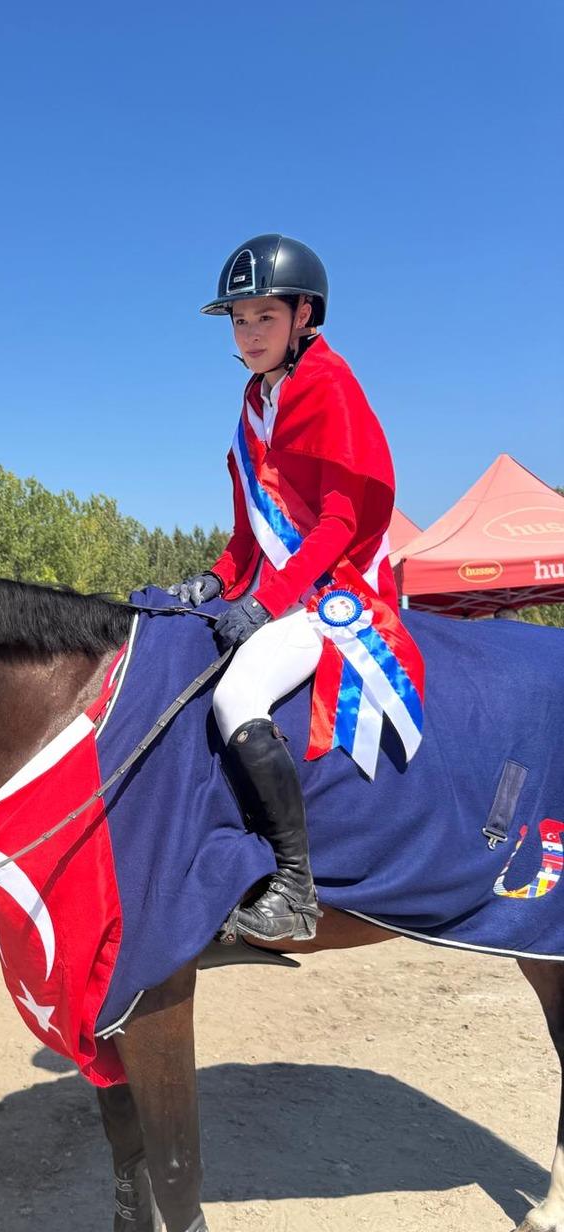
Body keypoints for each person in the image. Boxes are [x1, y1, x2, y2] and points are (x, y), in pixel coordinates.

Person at [171, 234, 423, 943]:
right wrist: (214, 581)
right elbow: (248, 537)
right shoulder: (254, 405)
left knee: (237, 695)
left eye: (263, 318)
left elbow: (339, 523)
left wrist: (266, 601)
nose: (249, 334)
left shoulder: (330, 385)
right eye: (239, 320)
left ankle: (294, 884)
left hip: (338, 585)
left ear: (303, 315)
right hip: (281, 582)